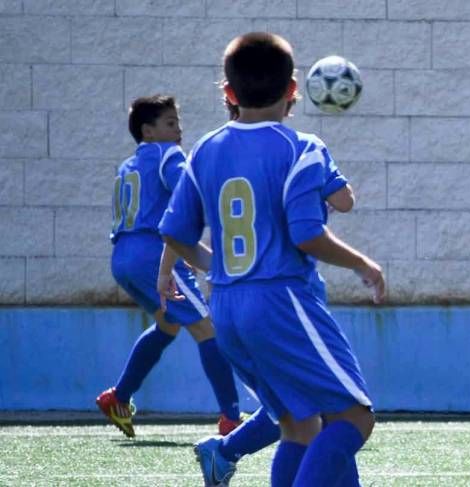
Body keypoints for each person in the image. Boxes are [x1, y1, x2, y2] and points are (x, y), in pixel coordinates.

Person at [158, 32, 385, 487]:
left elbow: (177, 233)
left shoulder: (203, 149)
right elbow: (307, 234)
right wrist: (362, 264)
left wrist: (217, 268)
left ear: (229, 93)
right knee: (356, 416)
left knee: (298, 426)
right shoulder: (301, 147)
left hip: (226, 306)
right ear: (294, 90)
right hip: (282, 301)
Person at [97, 95, 245, 438]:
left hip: (122, 259)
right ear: (148, 131)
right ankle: (232, 417)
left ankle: (119, 397)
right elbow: (185, 194)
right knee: (209, 329)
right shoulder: (169, 154)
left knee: (167, 326)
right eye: (169, 123)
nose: (179, 130)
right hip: (152, 255)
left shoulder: (127, 166)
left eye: (178, 122)